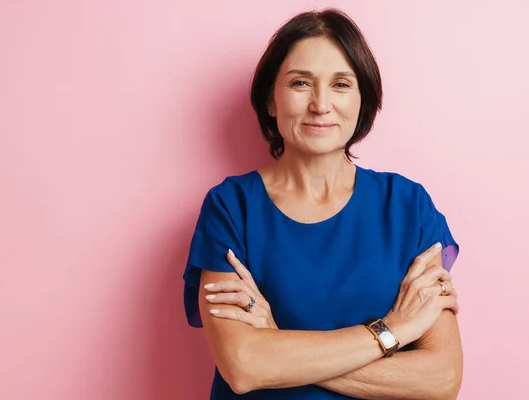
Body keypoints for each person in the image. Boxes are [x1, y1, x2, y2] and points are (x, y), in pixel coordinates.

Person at [182, 8, 462, 400]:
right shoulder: (231, 207)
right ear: (270, 100)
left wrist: (277, 344)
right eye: (300, 83)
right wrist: (394, 330)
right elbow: (244, 367)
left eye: (341, 84)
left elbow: (441, 378)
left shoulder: (407, 206)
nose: (320, 104)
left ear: (362, 99)